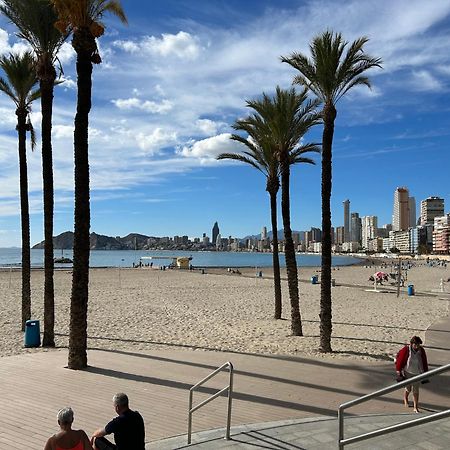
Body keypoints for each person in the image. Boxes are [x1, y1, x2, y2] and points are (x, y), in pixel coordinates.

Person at [395, 336, 429, 413]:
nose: (417, 346)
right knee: (408, 389)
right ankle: (405, 399)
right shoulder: (406, 349)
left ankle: (415, 407)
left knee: (416, 390)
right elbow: (400, 360)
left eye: (418, 344)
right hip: (408, 372)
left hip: (417, 373)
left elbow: (424, 361)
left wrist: (425, 373)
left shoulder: (421, 350)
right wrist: (398, 370)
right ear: (411, 343)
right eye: (415, 344)